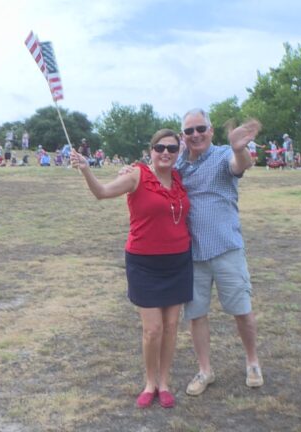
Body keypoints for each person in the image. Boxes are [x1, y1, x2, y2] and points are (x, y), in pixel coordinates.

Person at [71, 129, 192, 409]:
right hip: (144, 263)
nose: (165, 153)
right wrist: (87, 170)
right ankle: (150, 383)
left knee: (171, 326)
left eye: (172, 149)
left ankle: (164, 382)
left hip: (178, 261)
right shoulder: (136, 174)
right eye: (160, 147)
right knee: (153, 329)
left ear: (178, 153)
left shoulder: (180, 177)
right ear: (150, 150)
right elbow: (102, 193)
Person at [176, 109, 263, 396]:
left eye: (200, 128)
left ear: (210, 130)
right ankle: (205, 370)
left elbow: (240, 165)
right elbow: (156, 176)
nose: (195, 135)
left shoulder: (224, 154)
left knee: (241, 310)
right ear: (183, 136)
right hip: (192, 254)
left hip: (226, 248)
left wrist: (240, 149)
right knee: (196, 314)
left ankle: (252, 362)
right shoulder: (179, 165)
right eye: (189, 131)